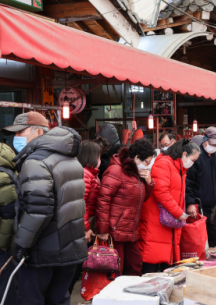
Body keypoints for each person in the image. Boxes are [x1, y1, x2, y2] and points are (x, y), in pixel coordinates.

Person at [4, 112, 87, 305]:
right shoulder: (70, 158)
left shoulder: (35, 161)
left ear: (39, 131)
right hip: (70, 246)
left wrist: (21, 245)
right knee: (59, 299)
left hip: (43, 251)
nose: (15, 138)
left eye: (20, 133)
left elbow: (38, 210)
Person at [96, 138, 155, 276]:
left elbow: (141, 199)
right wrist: (103, 229)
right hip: (115, 229)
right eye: (147, 162)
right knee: (116, 269)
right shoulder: (116, 170)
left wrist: (149, 183)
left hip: (131, 228)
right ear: (137, 157)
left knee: (135, 266)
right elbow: (103, 200)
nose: (147, 165)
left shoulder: (136, 172)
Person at [139, 140, 200, 274]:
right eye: (193, 159)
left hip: (168, 222)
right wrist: (178, 213)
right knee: (151, 267)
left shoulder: (180, 169)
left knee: (167, 269)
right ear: (184, 154)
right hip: (156, 222)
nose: (193, 163)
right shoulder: (164, 163)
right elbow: (161, 192)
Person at [68, 140, 102, 294]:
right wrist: (86, 228)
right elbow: (81, 204)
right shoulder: (85, 175)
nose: (100, 159)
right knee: (74, 267)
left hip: (87, 223)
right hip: (83, 226)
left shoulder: (91, 174)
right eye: (99, 156)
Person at [186, 127, 216, 247]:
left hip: (215, 207)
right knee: (199, 243)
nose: (214, 147)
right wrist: (190, 202)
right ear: (205, 140)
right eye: (212, 144)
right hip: (199, 208)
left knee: (215, 241)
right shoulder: (196, 156)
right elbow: (188, 182)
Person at [0, 144, 18, 303]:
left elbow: (8, 214)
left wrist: (4, 244)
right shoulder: (10, 171)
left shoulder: (2, 176)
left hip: (3, 246)